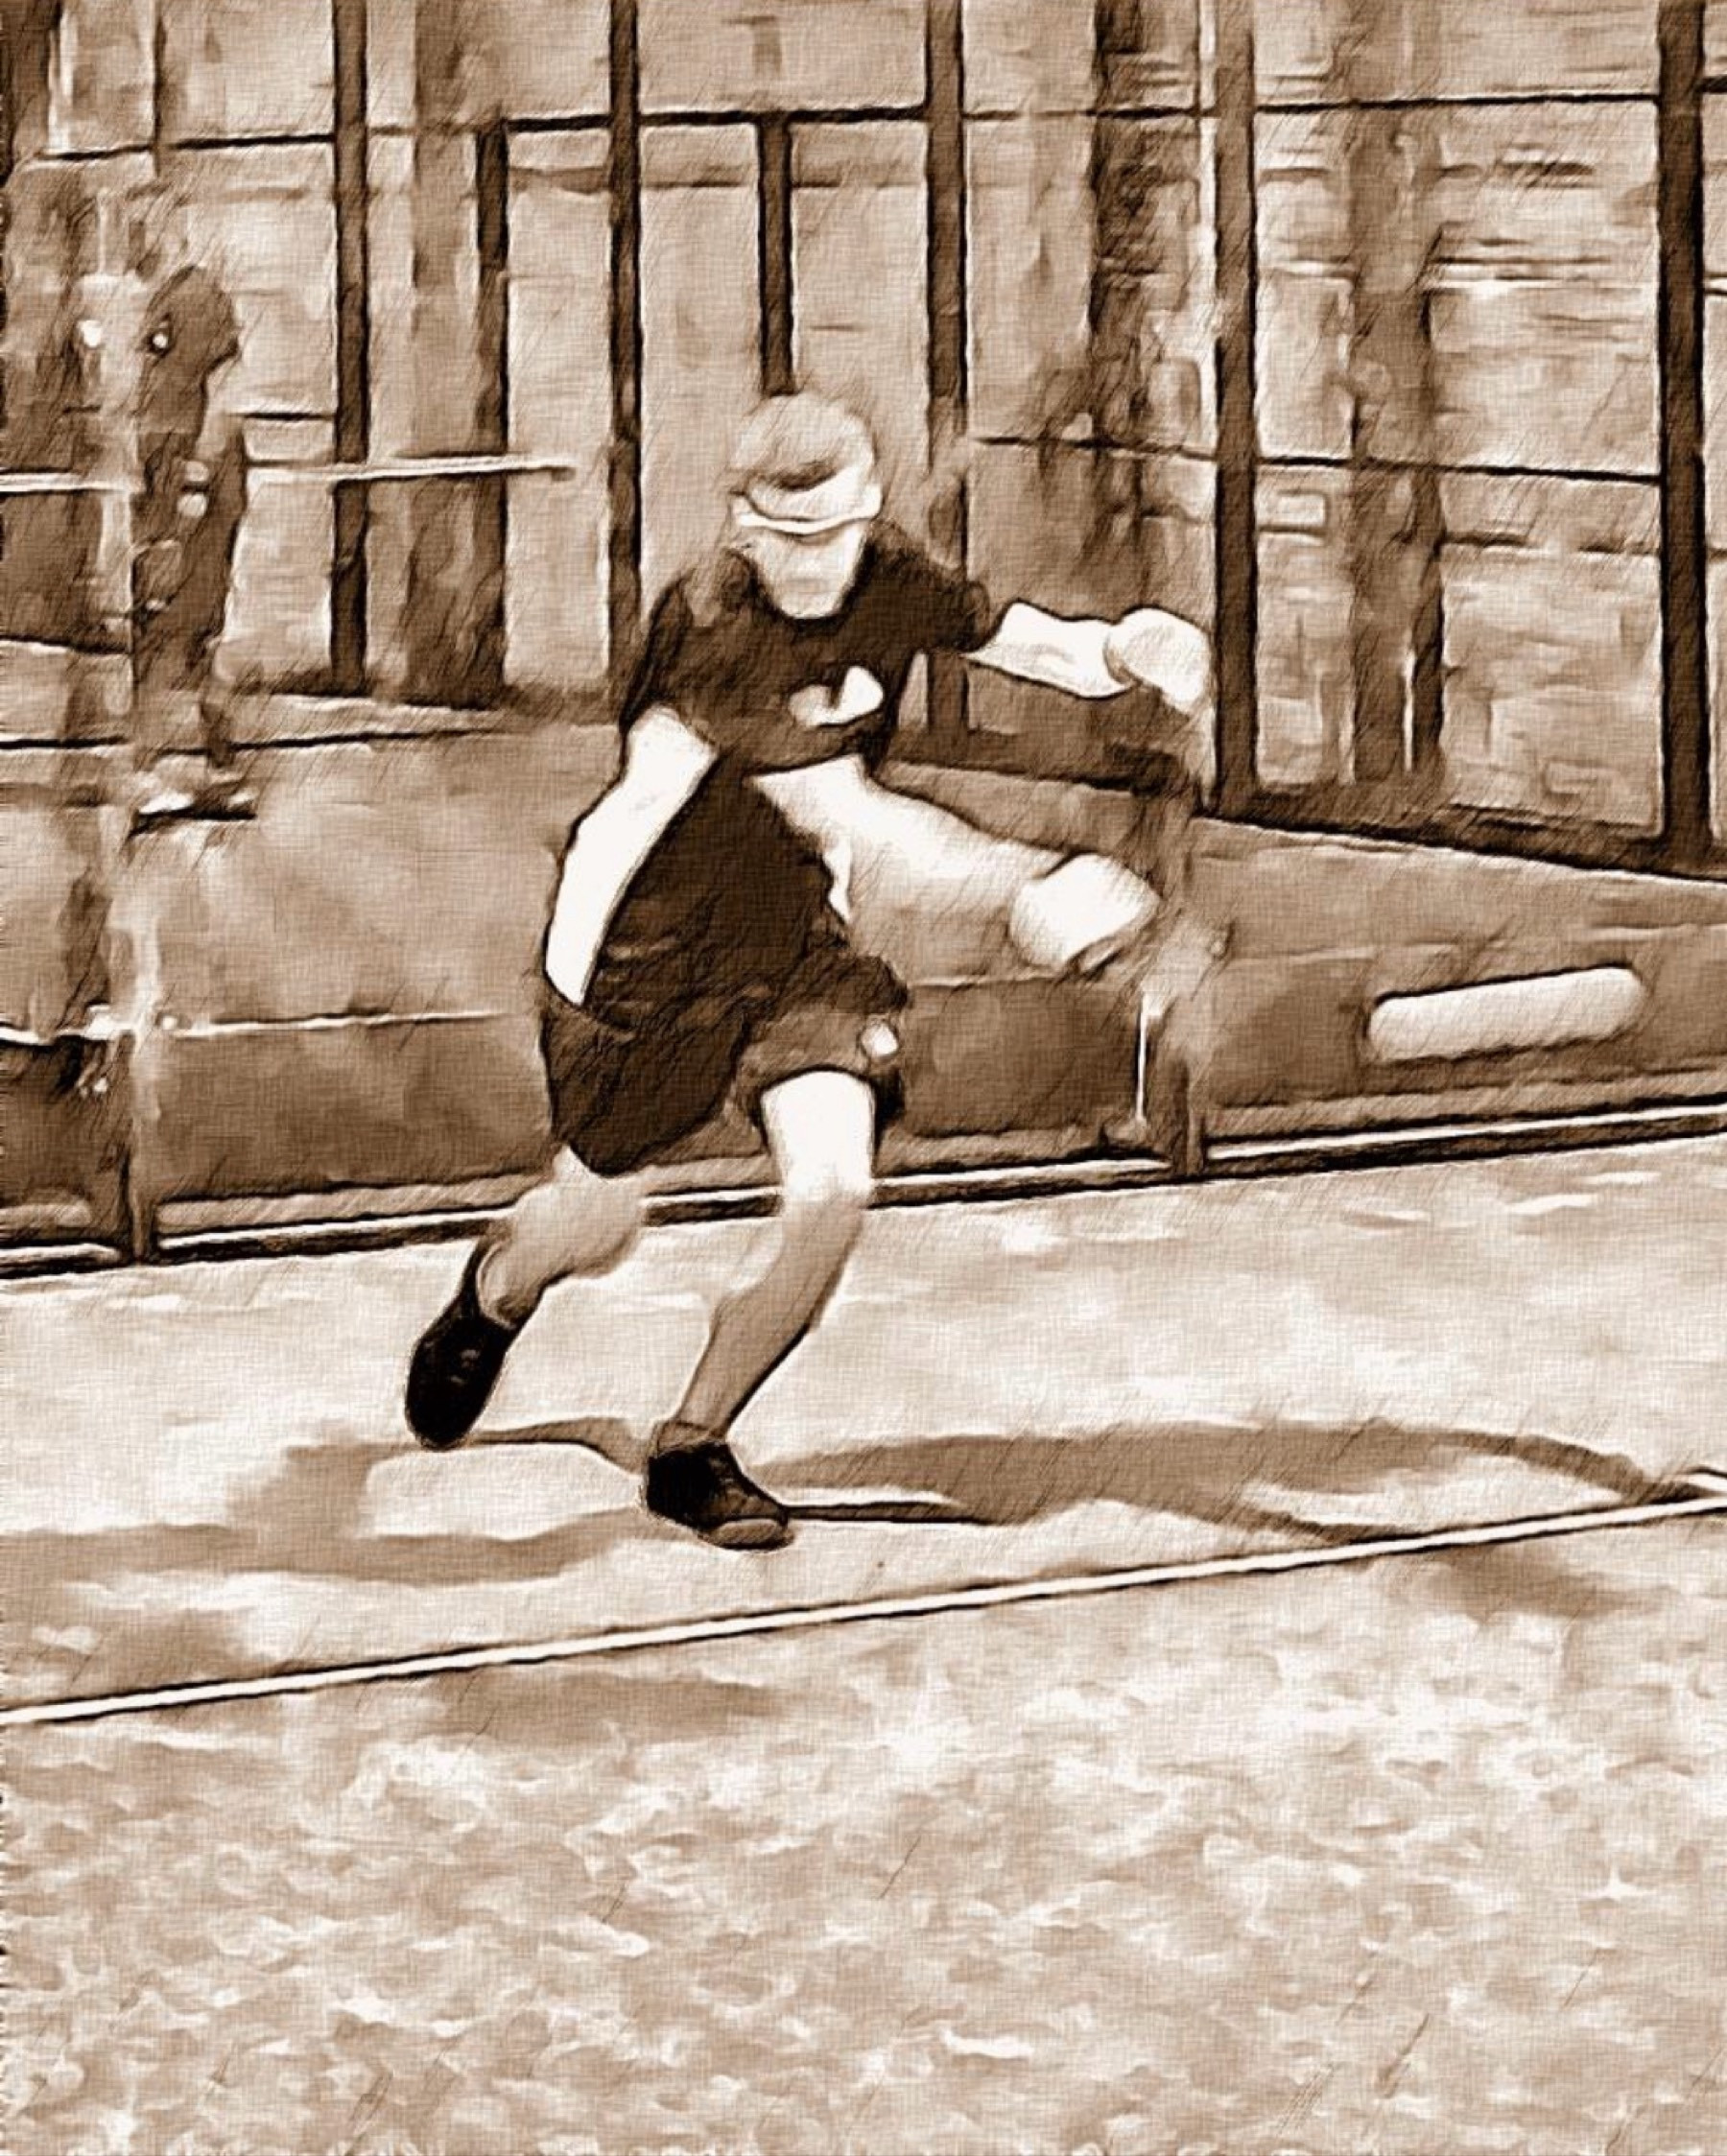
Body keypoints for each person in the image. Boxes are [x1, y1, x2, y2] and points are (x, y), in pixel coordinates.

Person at [405, 393, 1222, 1549]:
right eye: (784, 539)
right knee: (592, 1224)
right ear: (741, 526)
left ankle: (692, 1444)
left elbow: (1011, 637)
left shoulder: (890, 575)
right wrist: (1026, 886)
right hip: (639, 963)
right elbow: (846, 814)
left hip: (794, 951)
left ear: (868, 513)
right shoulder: (712, 624)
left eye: (832, 534)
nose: (811, 564)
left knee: (833, 1189)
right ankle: (498, 1292)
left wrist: (1120, 650)